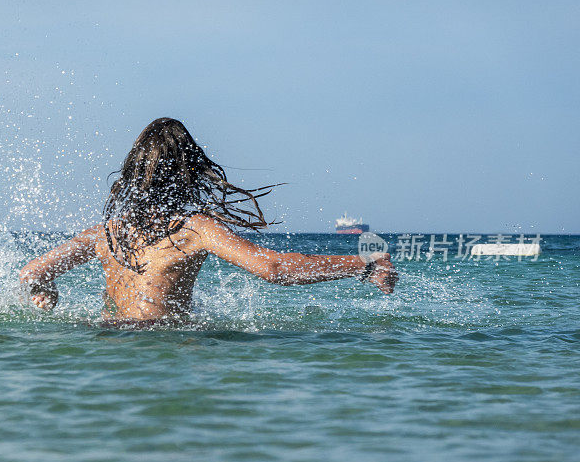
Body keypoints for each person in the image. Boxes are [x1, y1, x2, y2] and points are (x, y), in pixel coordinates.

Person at [20, 117, 397, 323]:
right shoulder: (192, 229)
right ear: (190, 172)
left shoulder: (104, 234)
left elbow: (30, 274)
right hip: (157, 351)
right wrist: (363, 264)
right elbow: (274, 268)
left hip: (108, 346)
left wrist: (45, 292)